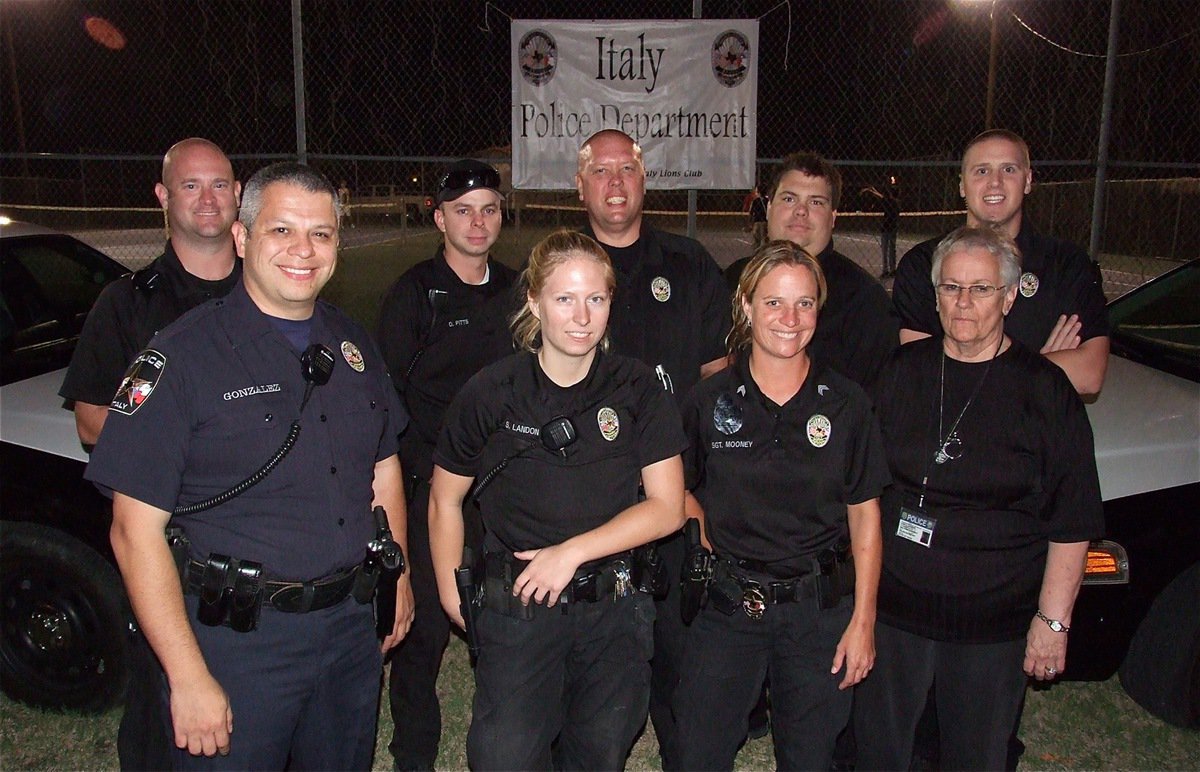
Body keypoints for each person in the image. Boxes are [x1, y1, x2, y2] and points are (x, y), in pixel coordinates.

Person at [85, 163, 415, 770]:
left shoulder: (353, 342)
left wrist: (397, 580)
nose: (303, 250)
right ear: (242, 238)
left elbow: (384, 464)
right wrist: (186, 677)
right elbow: (133, 531)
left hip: (348, 630)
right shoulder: (180, 358)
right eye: (281, 230)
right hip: (237, 641)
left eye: (321, 234)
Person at [428, 229, 687, 770]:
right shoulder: (491, 391)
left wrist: (572, 552)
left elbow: (668, 507)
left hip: (612, 605)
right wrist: (455, 598)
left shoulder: (637, 390)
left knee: (599, 750)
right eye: (564, 298)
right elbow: (445, 499)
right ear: (534, 301)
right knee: (505, 756)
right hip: (520, 606)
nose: (581, 316)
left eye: (596, 298)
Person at [854, 226, 1104, 770]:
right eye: (950, 287)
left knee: (976, 755)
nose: (962, 302)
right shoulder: (898, 373)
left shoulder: (1044, 391)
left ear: (1009, 297)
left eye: (980, 289)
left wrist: (1053, 622)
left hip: (992, 620)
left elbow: (1073, 517)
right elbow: (861, 488)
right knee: (879, 751)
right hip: (895, 609)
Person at [58, 136, 243, 771]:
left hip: (258, 535)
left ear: (239, 193)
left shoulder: (273, 291)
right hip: (168, 538)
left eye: (219, 183)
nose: (208, 198)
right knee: (163, 704)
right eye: (190, 186)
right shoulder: (129, 303)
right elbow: (90, 421)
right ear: (164, 197)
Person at [671, 241, 888, 771]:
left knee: (811, 757)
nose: (790, 319)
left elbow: (865, 517)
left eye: (805, 303)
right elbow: (674, 484)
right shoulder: (709, 400)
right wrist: (703, 531)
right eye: (774, 303)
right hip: (727, 605)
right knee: (697, 752)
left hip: (817, 609)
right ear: (745, 306)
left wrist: (863, 621)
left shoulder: (847, 403)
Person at [574, 128, 730, 764]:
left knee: (681, 662)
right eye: (601, 172)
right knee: (592, 669)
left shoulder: (689, 264)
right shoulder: (558, 269)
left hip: (677, 494)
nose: (615, 184)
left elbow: (719, 381)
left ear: (645, 181)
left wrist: (704, 487)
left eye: (627, 171)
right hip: (588, 497)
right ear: (579, 185)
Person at [376, 159, 518, 771]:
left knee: (504, 627)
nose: (477, 222)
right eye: (463, 210)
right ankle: (414, 756)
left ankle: (508, 745)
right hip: (429, 488)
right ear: (439, 218)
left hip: (501, 491)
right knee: (424, 633)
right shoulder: (415, 293)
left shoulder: (519, 289)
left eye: (489, 209)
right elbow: (383, 400)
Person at [892, 129, 1110, 397]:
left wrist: (972, 372)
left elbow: (1089, 375)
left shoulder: (1066, 264)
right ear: (962, 185)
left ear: (1028, 180)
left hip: (1037, 432)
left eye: (1009, 169)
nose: (995, 182)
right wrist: (1039, 369)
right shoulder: (923, 264)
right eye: (981, 171)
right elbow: (923, 375)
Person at [727, 152, 899, 391]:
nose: (801, 211)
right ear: (768, 207)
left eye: (816, 202)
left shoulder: (865, 301)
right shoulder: (730, 281)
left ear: (833, 217)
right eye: (789, 199)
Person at [861, 175, 901, 278]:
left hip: (887, 228)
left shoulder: (890, 202)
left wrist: (872, 190)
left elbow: (882, 197)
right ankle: (892, 269)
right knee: (892, 249)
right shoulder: (895, 203)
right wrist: (873, 190)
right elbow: (882, 197)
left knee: (886, 250)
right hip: (893, 228)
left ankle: (886, 270)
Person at [747, 185, 768, 250]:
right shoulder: (768, 201)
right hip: (765, 221)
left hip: (757, 221)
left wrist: (750, 222)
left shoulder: (755, 201)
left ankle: (757, 251)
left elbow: (751, 212)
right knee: (764, 238)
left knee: (757, 239)